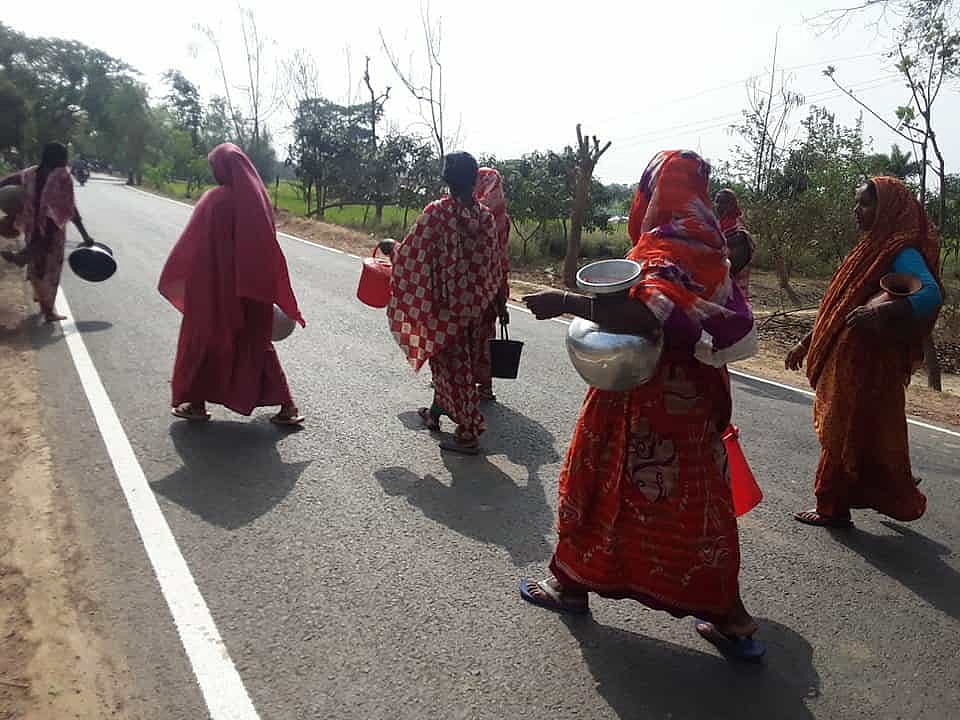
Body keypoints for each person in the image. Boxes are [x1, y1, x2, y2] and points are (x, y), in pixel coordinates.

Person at [520, 150, 763, 660]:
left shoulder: (661, 250)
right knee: (699, 509)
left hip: (636, 397)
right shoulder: (712, 253)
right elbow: (711, 326)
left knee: (594, 484)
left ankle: (570, 585)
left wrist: (563, 303)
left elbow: (647, 319)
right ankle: (730, 618)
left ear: (654, 194)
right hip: (693, 407)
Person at [786, 177, 942, 528]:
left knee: (841, 428)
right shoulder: (871, 248)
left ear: (886, 209)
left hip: (870, 363)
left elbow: (930, 294)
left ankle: (832, 505)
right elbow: (842, 308)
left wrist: (880, 312)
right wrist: (806, 342)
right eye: (857, 203)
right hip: (854, 360)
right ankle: (888, 485)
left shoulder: (901, 250)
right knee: (861, 430)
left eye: (865, 204)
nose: (857, 210)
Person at [158, 143, 305, 426]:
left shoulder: (215, 201)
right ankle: (288, 407)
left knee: (203, 342)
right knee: (257, 347)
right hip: (252, 290)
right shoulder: (257, 200)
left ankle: (196, 404)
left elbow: (195, 248)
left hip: (215, 290)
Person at [381, 151, 502, 455]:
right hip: (475, 307)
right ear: (476, 179)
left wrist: (391, 249)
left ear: (446, 180)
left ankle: (468, 432)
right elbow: (494, 265)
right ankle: (434, 414)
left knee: (454, 370)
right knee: (457, 366)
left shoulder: (437, 213)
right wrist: (489, 298)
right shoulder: (485, 217)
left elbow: (412, 256)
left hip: (445, 309)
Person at [0, 142, 95, 322]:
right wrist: (84, 235)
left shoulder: (31, 173)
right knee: (50, 270)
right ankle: (48, 311)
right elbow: (70, 207)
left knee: (37, 265)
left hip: (31, 223)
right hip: (52, 226)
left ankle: (24, 257)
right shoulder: (62, 176)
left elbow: (8, 181)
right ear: (60, 158)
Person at [473, 167, 511, 401]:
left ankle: (455, 385)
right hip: (493, 285)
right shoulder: (502, 219)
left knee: (461, 335)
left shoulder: (473, 214)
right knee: (486, 334)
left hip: (468, 286)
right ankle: (485, 386)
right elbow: (501, 257)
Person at [714, 188, 754, 299]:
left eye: (724, 202)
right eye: (717, 201)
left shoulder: (740, 235)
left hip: (735, 296)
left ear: (732, 205)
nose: (719, 206)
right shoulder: (715, 227)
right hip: (715, 294)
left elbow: (731, 268)